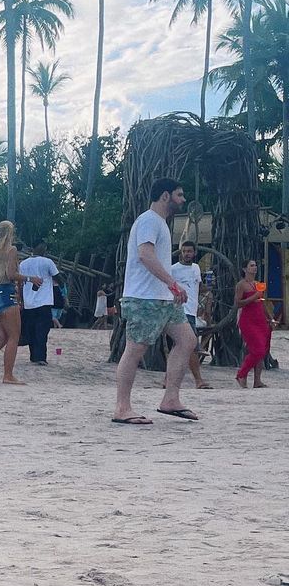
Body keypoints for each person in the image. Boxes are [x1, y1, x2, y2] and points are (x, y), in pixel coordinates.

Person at [112, 178, 197, 425]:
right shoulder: (149, 220)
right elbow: (145, 255)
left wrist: (169, 289)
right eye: (179, 195)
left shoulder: (160, 223)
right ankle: (122, 408)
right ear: (165, 196)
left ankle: (170, 399)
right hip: (144, 299)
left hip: (163, 299)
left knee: (187, 340)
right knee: (135, 350)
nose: (183, 200)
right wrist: (173, 284)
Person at [0, 221, 41, 385]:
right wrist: (30, 278)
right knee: (13, 337)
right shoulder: (11, 250)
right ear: (11, 233)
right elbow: (11, 274)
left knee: (2, 337)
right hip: (6, 295)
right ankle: (8, 375)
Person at [169, 240, 211, 391]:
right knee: (191, 344)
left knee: (179, 346)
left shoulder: (196, 268)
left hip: (192, 311)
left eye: (189, 251)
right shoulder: (173, 269)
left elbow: (198, 287)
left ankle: (167, 379)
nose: (187, 254)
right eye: (184, 251)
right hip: (181, 310)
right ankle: (198, 380)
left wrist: (208, 295)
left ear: (194, 253)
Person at [235, 259, 273, 389]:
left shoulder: (259, 284)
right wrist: (253, 297)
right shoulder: (241, 285)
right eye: (251, 265)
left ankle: (257, 380)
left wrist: (270, 318)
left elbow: (262, 302)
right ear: (244, 269)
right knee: (258, 350)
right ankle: (241, 374)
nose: (254, 267)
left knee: (262, 350)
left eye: (255, 265)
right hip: (248, 320)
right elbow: (238, 303)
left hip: (261, 320)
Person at [22, 241, 59, 365]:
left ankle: (33, 356)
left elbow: (20, 281)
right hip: (44, 301)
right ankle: (41, 357)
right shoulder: (48, 262)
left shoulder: (23, 263)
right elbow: (58, 277)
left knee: (32, 330)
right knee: (42, 330)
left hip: (28, 302)